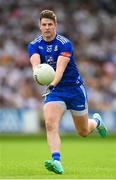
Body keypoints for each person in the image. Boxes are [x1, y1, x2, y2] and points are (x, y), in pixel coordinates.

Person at [28, 10, 108, 174]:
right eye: (44, 24)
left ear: (55, 26)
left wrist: (51, 84)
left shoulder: (65, 44)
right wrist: (37, 73)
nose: (47, 28)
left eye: (50, 24)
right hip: (56, 92)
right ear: (40, 26)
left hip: (74, 89)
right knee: (50, 124)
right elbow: (35, 63)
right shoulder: (34, 45)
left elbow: (61, 69)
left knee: (83, 131)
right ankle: (56, 161)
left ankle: (97, 122)